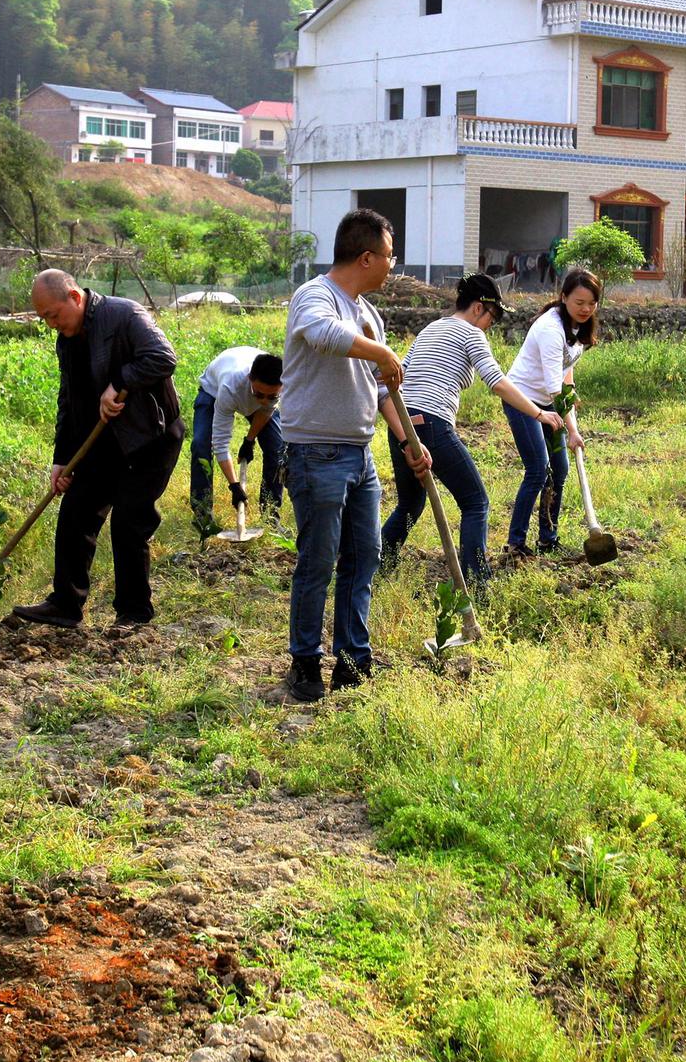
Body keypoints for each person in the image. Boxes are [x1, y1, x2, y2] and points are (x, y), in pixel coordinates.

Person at [281, 209, 430, 702]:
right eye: (390, 255)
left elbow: (381, 390)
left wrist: (408, 442)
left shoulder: (369, 313)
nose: (393, 264)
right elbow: (323, 335)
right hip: (315, 453)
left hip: (359, 454)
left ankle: (351, 661)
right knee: (318, 561)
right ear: (366, 257)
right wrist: (382, 353)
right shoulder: (315, 296)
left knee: (364, 557)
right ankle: (305, 663)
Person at [16, 269, 184, 629]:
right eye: (44, 318)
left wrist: (120, 382)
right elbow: (69, 401)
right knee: (75, 511)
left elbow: (163, 357)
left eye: (53, 315)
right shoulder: (67, 339)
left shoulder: (125, 314)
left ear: (75, 297)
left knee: (129, 521)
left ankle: (134, 613)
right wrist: (62, 459)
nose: (51, 324)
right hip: (103, 441)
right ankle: (65, 604)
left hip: (150, 437)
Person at [380, 274, 563, 588]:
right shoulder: (471, 333)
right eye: (493, 317)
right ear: (479, 307)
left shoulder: (431, 329)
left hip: (402, 424)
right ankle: (478, 584)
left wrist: (403, 430)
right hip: (433, 424)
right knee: (475, 502)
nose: (490, 325)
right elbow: (498, 381)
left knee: (409, 504)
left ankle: (376, 566)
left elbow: (400, 376)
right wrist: (538, 412)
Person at [500, 269, 598, 557]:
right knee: (538, 470)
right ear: (564, 297)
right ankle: (516, 544)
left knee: (560, 469)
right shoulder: (550, 330)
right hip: (522, 400)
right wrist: (572, 431)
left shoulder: (578, 327)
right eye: (579, 302)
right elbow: (557, 391)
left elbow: (566, 375)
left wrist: (572, 416)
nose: (585, 309)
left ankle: (548, 539)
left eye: (591, 303)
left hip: (549, 403)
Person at [189, 346, 285, 535]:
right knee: (201, 445)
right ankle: (203, 516)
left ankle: (270, 516)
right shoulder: (230, 388)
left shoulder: (281, 384)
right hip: (212, 390)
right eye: (259, 394)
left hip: (245, 385)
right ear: (250, 379)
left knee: (277, 447)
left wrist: (249, 440)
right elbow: (220, 443)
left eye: (272, 396)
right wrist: (234, 486)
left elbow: (266, 410)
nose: (264, 400)